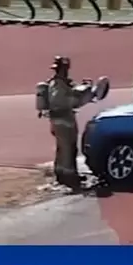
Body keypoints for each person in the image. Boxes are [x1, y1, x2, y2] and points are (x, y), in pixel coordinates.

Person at [39, 56, 83, 190]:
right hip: (63, 121)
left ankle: (62, 174)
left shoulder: (60, 82)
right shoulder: (58, 84)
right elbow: (59, 102)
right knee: (67, 149)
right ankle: (68, 177)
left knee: (64, 148)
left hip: (62, 120)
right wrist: (76, 100)